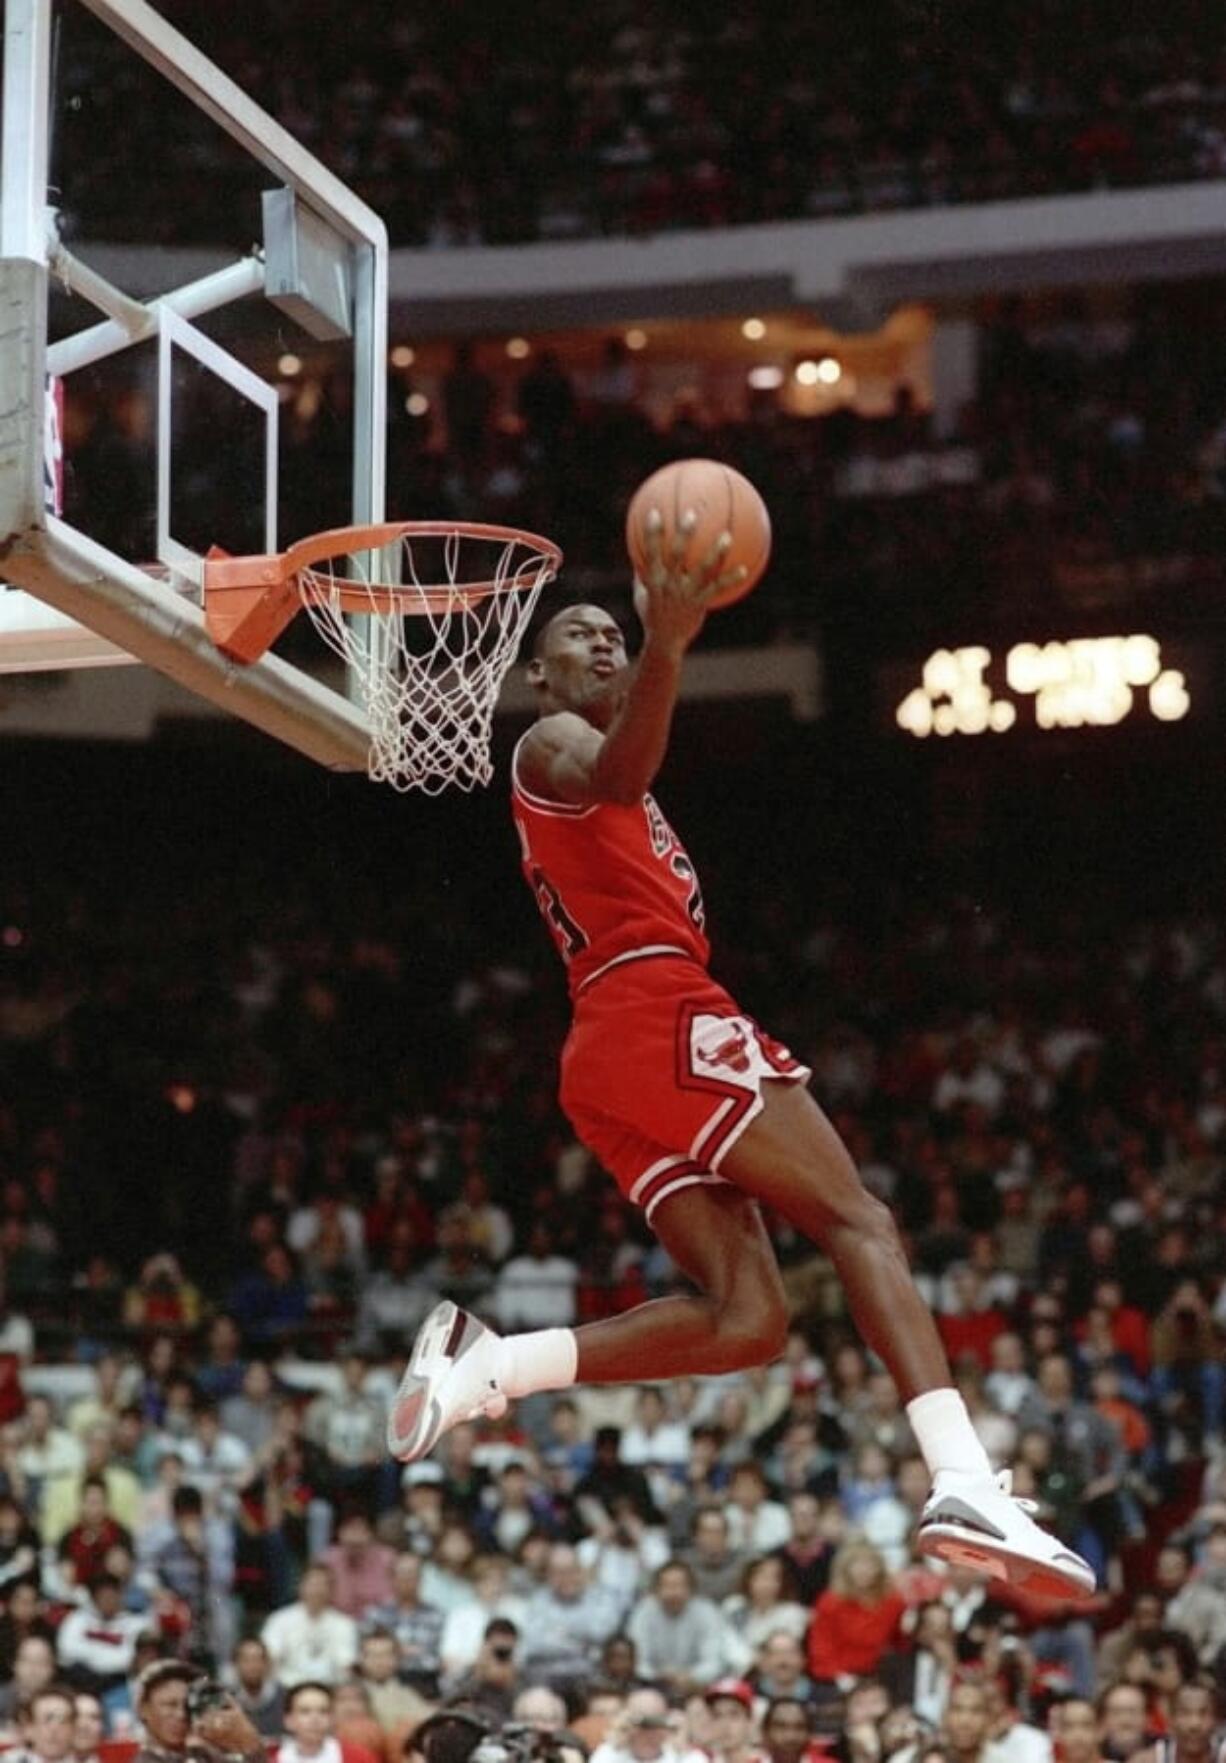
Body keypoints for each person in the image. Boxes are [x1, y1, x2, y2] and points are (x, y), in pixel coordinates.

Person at [387, 520, 1093, 1602]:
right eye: (579, 636)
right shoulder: (550, 748)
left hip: (613, 1051)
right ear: (536, 675)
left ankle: (490, 1364)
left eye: (615, 633)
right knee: (857, 1219)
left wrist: (658, 648)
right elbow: (623, 768)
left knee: (748, 1321)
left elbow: (631, 774)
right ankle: (960, 1475)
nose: (604, 644)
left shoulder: (609, 779)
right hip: (652, 1009)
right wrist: (670, 640)